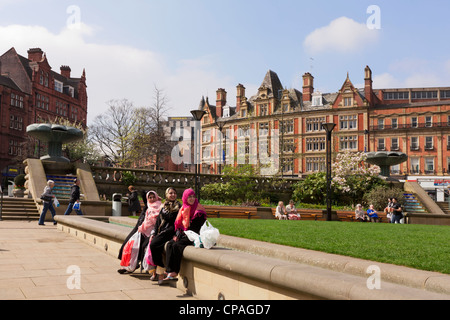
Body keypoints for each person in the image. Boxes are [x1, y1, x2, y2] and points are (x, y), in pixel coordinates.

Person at [163, 188, 207, 283]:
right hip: (185, 234)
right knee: (170, 244)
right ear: (185, 198)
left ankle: (175, 271)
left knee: (176, 245)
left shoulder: (198, 210)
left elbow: (195, 229)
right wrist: (178, 235)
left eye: (193, 197)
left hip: (194, 235)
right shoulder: (184, 208)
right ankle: (169, 270)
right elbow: (180, 225)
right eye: (189, 197)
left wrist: (182, 236)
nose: (191, 199)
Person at [117, 190, 162, 275]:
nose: (152, 199)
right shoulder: (148, 207)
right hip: (143, 230)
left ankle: (136, 266)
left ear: (156, 197)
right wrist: (141, 227)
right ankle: (129, 266)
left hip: (153, 232)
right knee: (131, 246)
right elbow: (145, 219)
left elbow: (156, 222)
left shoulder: (160, 207)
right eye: (150, 197)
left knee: (142, 247)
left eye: (153, 197)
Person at [149, 187, 181, 284]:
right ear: (167, 194)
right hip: (162, 231)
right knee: (152, 245)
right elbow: (158, 221)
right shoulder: (163, 207)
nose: (173, 195)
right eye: (170, 193)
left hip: (171, 232)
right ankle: (160, 270)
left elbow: (180, 222)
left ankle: (161, 272)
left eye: (174, 193)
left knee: (154, 245)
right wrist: (153, 233)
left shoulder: (179, 207)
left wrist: (176, 234)